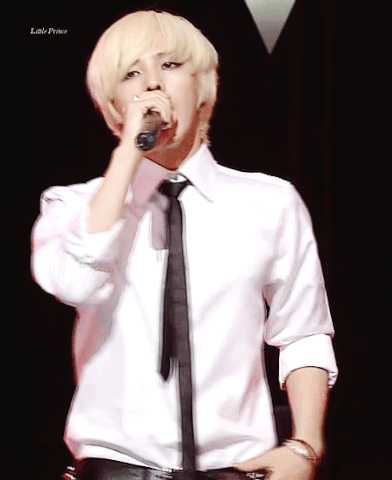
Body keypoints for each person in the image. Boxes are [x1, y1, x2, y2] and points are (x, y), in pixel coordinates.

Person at [31, 10, 338, 480]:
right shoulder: (73, 207)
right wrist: (129, 153)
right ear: (113, 105)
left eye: (170, 65)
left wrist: (305, 446)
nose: (152, 84)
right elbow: (75, 282)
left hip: (236, 469)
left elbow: (303, 332)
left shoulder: (270, 203)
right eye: (131, 74)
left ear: (203, 87)